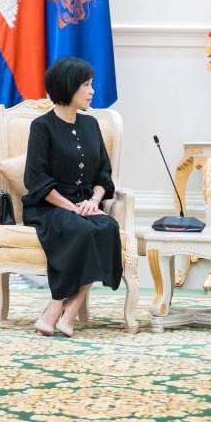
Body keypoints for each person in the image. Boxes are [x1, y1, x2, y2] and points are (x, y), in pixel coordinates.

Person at [22, 56, 122, 337]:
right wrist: (72, 208)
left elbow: (104, 175)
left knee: (107, 226)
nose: (92, 91)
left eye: (91, 84)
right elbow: (36, 180)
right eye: (86, 85)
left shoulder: (91, 125)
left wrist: (93, 201)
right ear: (69, 86)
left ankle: (68, 311)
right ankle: (57, 308)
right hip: (49, 206)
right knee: (82, 230)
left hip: (86, 204)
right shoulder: (41, 127)